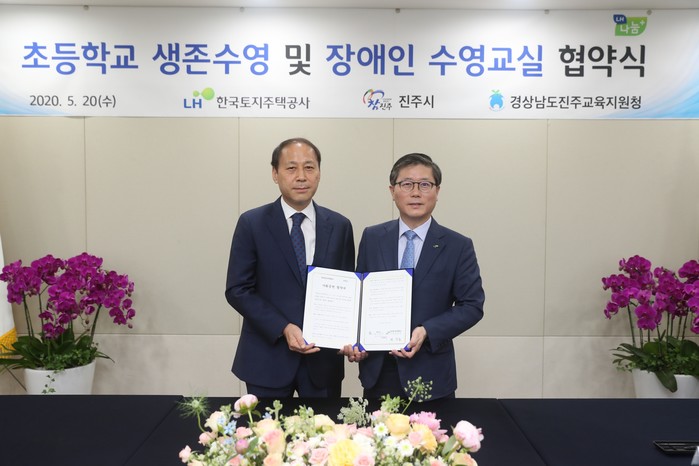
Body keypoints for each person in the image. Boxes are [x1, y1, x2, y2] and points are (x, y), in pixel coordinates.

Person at [342, 153, 484, 400]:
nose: (416, 192)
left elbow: (472, 306)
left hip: (431, 373)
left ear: (437, 191)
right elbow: (359, 297)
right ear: (392, 191)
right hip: (378, 371)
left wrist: (427, 330)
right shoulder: (373, 237)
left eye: (425, 184)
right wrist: (354, 340)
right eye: (407, 184)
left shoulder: (458, 245)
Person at [225, 137, 355, 398]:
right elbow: (238, 289)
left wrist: (352, 335)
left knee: (325, 427)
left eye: (309, 167)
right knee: (265, 426)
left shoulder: (340, 226)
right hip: (267, 358)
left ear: (319, 173)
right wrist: (283, 327)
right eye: (291, 168)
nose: (301, 176)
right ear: (275, 173)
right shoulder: (252, 223)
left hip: (323, 362)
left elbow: (348, 289)